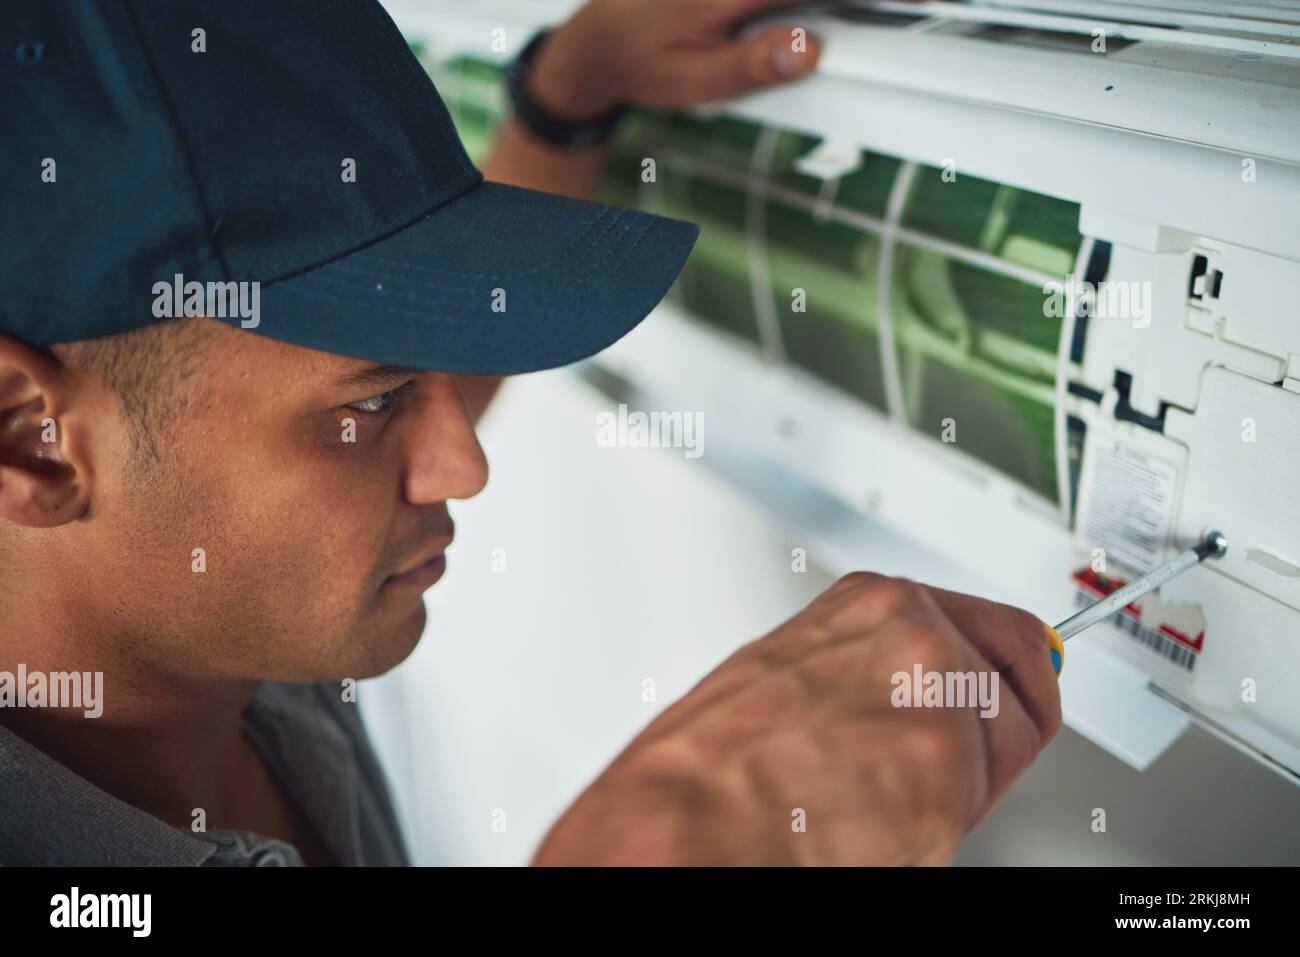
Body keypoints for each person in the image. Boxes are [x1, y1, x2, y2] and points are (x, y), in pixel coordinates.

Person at [0, 0, 1060, 866]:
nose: (462, 465)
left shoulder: (213, 602)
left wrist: (567, 99)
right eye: (368, 407)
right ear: (30, 439)